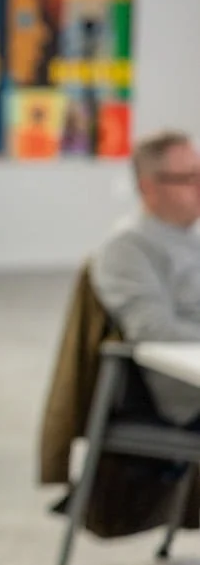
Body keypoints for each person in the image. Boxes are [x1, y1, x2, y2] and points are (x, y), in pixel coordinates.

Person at [90, 129, 200, 428]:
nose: (199, 186)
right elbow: (155, 329)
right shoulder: (127, 247)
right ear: (149, 187)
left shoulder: (191, 234)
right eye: (188, 177)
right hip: (187, 394)